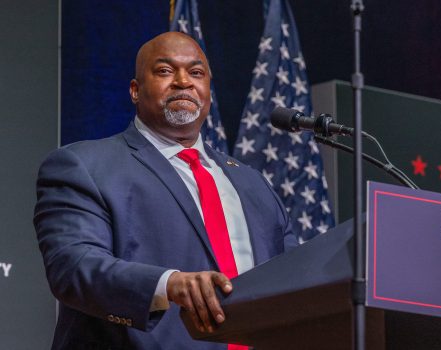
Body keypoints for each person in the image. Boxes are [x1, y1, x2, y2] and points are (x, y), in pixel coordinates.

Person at [34, 31, 296, 349]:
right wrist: (168, 284)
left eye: (196, 72)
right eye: (165, 71)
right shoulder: (84, 166)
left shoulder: (254, 184)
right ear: (135, 90)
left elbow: (293, 276)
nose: (183, 81)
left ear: (208, 92)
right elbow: (74, 267)